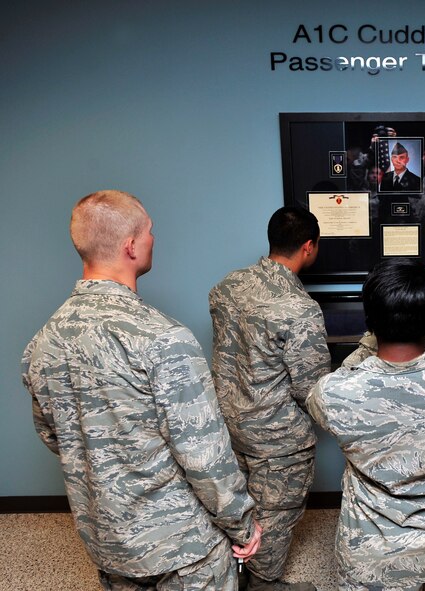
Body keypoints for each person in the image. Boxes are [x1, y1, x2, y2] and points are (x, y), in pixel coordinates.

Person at [21, 190, 261, 590]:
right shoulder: (165, 339)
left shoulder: (42, 343)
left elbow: (56, 435)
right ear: (131, 246)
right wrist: (242, 525)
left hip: (107, 541)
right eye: (150, 231)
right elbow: (205, 456)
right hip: (183, 550)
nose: (154, 238)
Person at [306, 259, 425, 590]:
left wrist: (372, 334)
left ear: (371, 320)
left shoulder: (335, 393)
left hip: (375, 551)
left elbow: (341, 377)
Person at [209, 206, 331, 591]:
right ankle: (263, 583)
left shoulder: (227, 286)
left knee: (239, 508)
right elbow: (312, 388)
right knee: (276, 512)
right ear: (308, 247)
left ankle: (234, 574)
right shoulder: (300, 310)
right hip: (278, 439)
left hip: (230, 424)